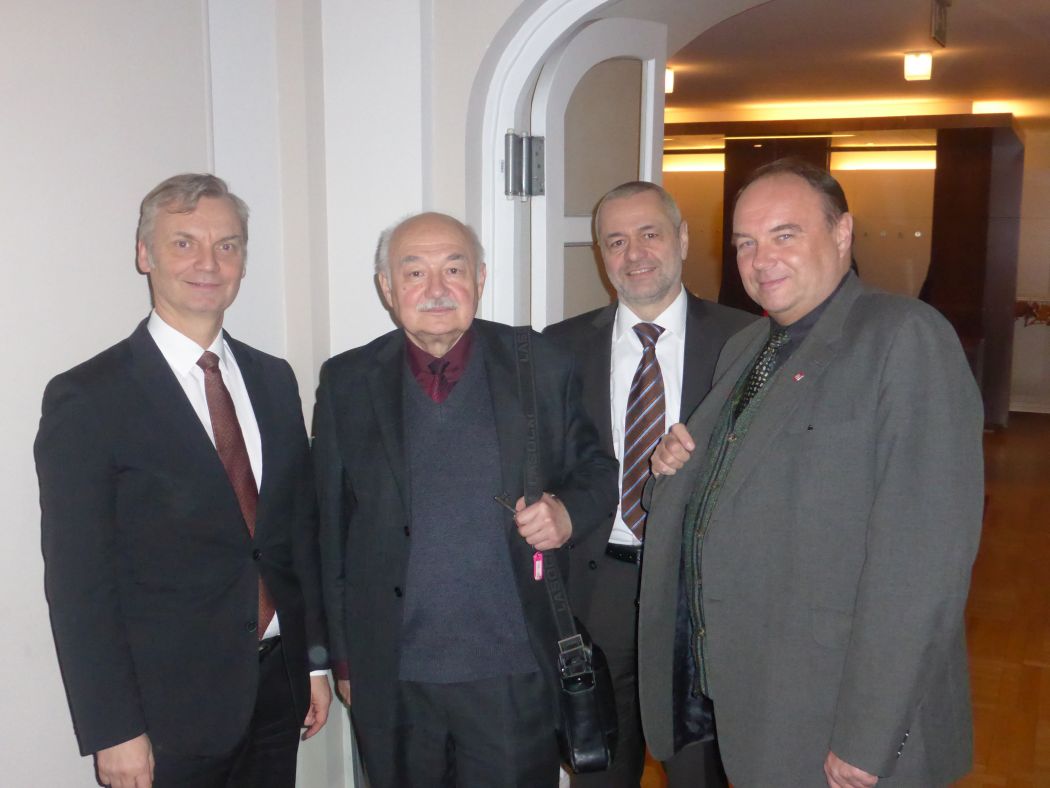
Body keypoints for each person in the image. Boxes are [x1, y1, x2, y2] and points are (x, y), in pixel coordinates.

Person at [639, 159, 984, 786]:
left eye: (784, 235)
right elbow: (746, 487)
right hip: (756, 691)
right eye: (746, 242)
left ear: (843, 234)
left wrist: (866, 736)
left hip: (837, 712)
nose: (760, 258)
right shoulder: (751, 346)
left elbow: (922, 562)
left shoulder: (903, 337)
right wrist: (676, 472)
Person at [36, 174, 331, 788]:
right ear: (144, 255)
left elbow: (295, 535)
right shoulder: (87, 397)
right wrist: (113, 728)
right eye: (184, 243)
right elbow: (78, 583)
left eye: (227, 245)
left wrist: (316, 663)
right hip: (165, 715)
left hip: (277, 691)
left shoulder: (274, 380)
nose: (208, 262)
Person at [313, 211, 618, 788]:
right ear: (386, 287)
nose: (436, 289)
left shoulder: (539, 364)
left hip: (513, 670)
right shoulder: (347, 381)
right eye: (415, 272)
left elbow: (599, 470)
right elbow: (331, 527)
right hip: (394, 673)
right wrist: (343, 659)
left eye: (453, 269)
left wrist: (566, 511)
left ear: (479, 278)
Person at [544, 181, 754, 787]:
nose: (633, 253)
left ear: (682, 239)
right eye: (615, 240)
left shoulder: (745, 343)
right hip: (594, 593)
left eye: (649, 233)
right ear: (600, 254)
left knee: (700, 773)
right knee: (602, 772)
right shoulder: (555, 350)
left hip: (697, 596)